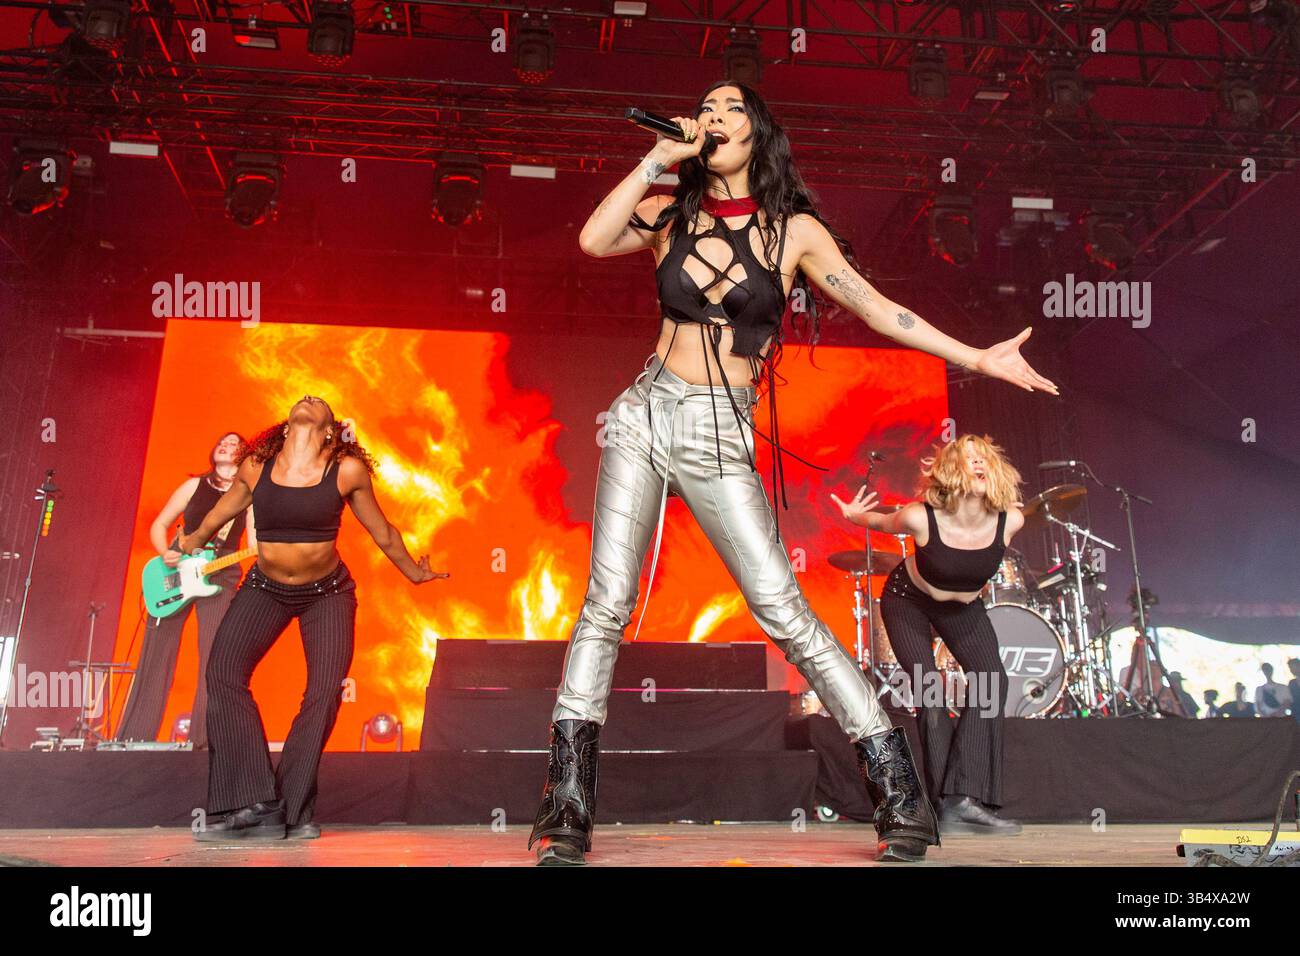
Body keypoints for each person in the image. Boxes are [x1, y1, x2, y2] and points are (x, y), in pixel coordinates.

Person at [527, 80, 1057, 866]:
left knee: (781, 607)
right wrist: (656, 158)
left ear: (759, 133)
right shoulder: (671, 213)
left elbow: (881, 309)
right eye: (704, 108)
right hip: (644, 413)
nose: (713, 116)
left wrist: (976, 357)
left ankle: (896, 787)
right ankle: (566, 801)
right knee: (605, 602)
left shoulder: (793, 232)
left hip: (718, 430)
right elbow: (592, 240)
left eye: (731, 107)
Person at [179, 396, 442, 841]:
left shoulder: (346, 471)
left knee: (321, 694)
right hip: (265, 589)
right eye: (302, 400)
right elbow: (225, 511)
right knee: (222, 673)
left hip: (328, 594)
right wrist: (195, 537)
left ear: (328, 432)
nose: (308, 399)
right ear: (285, 429)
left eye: (319, 404)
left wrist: (415, 573)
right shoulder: (255, 466)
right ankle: (255, 803)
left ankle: (294, 811)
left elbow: (383, 531)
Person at [832, 434, 1025, 835]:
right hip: (908, 600)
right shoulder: (922, 516)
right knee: (930, 692)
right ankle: (943, 804)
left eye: (984, 458)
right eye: (968, 457)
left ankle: (963, 799)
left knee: (992, 682)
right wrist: (854, 516)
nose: (978, 463)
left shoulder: (1011, 519)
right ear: (950, 470)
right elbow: (881, 521)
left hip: (964, 607)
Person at [116, 432, 255, 749]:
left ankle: (204, 741)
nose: (226, 445)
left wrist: (270, 550)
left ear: (244, 456)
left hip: (219, 573)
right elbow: (159, 523)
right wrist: (164, 551)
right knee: (157, 652)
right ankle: (134, 737)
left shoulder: (249, 494)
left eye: (235, 444)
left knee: (214, 657)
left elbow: (254, 541)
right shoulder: (194, 486)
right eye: (222, 441)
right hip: (175, 571)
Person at [1288, 659, 1300, 724]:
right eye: (1290, 668)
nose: (1291, 670)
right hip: (1296, 714)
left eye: (1292, 667)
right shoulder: (1292, 683)